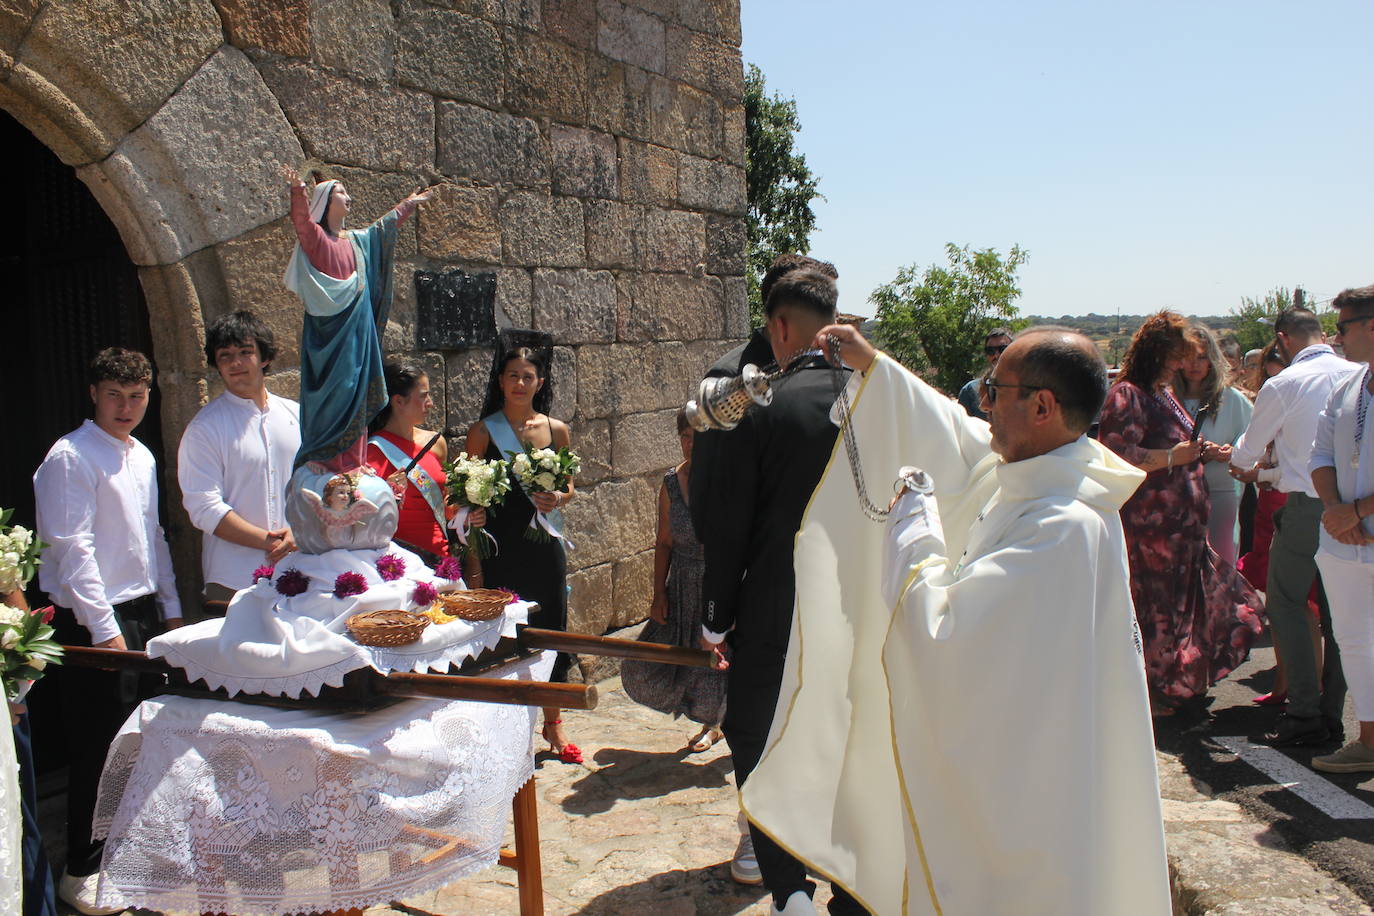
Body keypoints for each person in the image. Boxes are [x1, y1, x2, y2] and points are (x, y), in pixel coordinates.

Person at [740, 322, 1170, 915]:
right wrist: (877, 368)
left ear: (1042, 407)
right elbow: (953, 431)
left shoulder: (1060, 527)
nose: (983, 405)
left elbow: (942, 639)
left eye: (996, 390)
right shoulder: (1048, 474)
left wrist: (914, 527)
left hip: (1032, 792)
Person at [698, 271, 866, 916]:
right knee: (851, 746)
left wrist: (716, 617)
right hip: (861, 609)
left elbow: (729, 522)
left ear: (778, 327)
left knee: (756, 736)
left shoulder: (761, 406)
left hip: (778, 606)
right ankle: (853, 891)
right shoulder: (877, 396)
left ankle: (789, 888)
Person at [32, 347, 183, 914]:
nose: (126, 407)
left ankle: (131, 854)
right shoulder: (70, 457)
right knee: (98, 746)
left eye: (136, 396)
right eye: (115, 395)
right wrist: (104, 631)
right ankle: (82, 866)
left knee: (142, 739)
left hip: (140, 612)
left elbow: (152, 537)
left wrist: (171, 609)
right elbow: (73, 549)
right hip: (92, 620)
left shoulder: (141, 455)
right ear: (94, 394)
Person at [1098, 312, 1262, 714]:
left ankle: (1178, 679)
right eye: (1176, 355)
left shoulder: (1162, 392)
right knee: (1156, 610)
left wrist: (1199, 451)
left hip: (1182, 529)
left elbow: (1179, 445)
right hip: (1151, 529)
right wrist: (1175, 456)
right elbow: (1118, 454)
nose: (1182, 364)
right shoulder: (1128, 394)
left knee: (1181, 608)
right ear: (1157, 352)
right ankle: (1152, 692)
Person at [1231, 307, 1360, 747]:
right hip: (1354, 507)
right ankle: (1333, 713)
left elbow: (1246, 452)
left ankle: (1304, 712)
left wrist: (1245, 464)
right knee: (1341, 615)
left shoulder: (1285, 383)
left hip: (1308, 506)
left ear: (1283, 339)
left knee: (1286, 603)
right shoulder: (1357, 375)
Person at [465, 347, 580, 763]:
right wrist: (471, 519)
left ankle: (553, 721)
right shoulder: (483, 432)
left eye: (527, 376)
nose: (519, 383)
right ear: (501, 381)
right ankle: (509, 729)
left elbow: (569, 486)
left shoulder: (556, 430)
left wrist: (558, 497)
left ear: (540, 383)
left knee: (551, 631)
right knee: (506, 636)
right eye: (512, 375)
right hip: (500, 548)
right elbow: (465, 494)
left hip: (544, 547)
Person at [280, 166, 431, 472]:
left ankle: (353, 460)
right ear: (325, 201)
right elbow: (302, 223)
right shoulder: (318, 239)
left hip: (358, 334)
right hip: (330, 335)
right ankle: (324, 455)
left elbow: (382, 228)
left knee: (357, 390)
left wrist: (407, 205)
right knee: (335, 393)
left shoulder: (357, 241)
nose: (348, 197)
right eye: (341, 192)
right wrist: (298, 190)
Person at [621, 410, 727, 752]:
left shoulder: (730, 479)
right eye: (685, 436)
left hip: (719, 584)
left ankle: (716, 723)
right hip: (682, 584)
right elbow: (664, 541)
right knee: (646, 666)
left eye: (699, 437)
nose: (691, 444)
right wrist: (658, 593)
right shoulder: (671, 483)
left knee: (716, 662)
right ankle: (711, 719)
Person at [178, 310, 300, 606]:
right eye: (225, 355)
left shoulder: (297, 416)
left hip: (297, 570)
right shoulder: (204, 428)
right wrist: (269, 542)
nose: (235, 363)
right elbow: (203, 506)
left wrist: (299, 532)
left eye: (245, 352)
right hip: (233, 578)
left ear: (265, 357)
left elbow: (316, 484)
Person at [1310, 285, 1374, 773]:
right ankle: (1369, 741)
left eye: (1343, 327)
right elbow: (1321, 456)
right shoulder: (1347, 386)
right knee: (1353, 640)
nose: (1336, 338)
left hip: (1354, 528)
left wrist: (1355, 511)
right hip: (1342, 541)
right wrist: (1335, 509)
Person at [1175, 323, 1254, 566]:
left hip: (1221, 491)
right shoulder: (1165, 397)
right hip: (1176, 494)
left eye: (1201, 357)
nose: (1195, 364)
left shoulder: (1232, 399)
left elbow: (1253, 441)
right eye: (1188, 357)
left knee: (1222, 563)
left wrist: (1230, 452)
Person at [365, 362, 455, 564]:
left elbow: (445, 505)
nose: (430, 403)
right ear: (398, 401)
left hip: (440, 558)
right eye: (423, 396)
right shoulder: (371, 453)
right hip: (396, 564)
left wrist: (462, 508)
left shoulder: (436, 443)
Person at [955, 327, 1013, 421]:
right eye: (991, 351)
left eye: (1003, 349)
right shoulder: (970, 391)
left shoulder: (1026, 388)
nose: (996, 355)